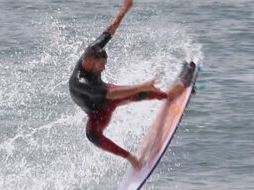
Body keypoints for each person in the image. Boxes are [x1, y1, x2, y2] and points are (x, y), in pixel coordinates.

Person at [69, 0, 184, 170]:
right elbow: (111, 96)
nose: (104, 67)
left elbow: (109, 31)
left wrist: (124, 10)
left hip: (107, 92)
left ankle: (167, 95)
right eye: (101, 66)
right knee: (92, 136)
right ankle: (131, 158)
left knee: (138, 94)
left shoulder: (93, 50)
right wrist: (141, 86)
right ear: (88, 63)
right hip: (97, 113)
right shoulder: (80, 82)